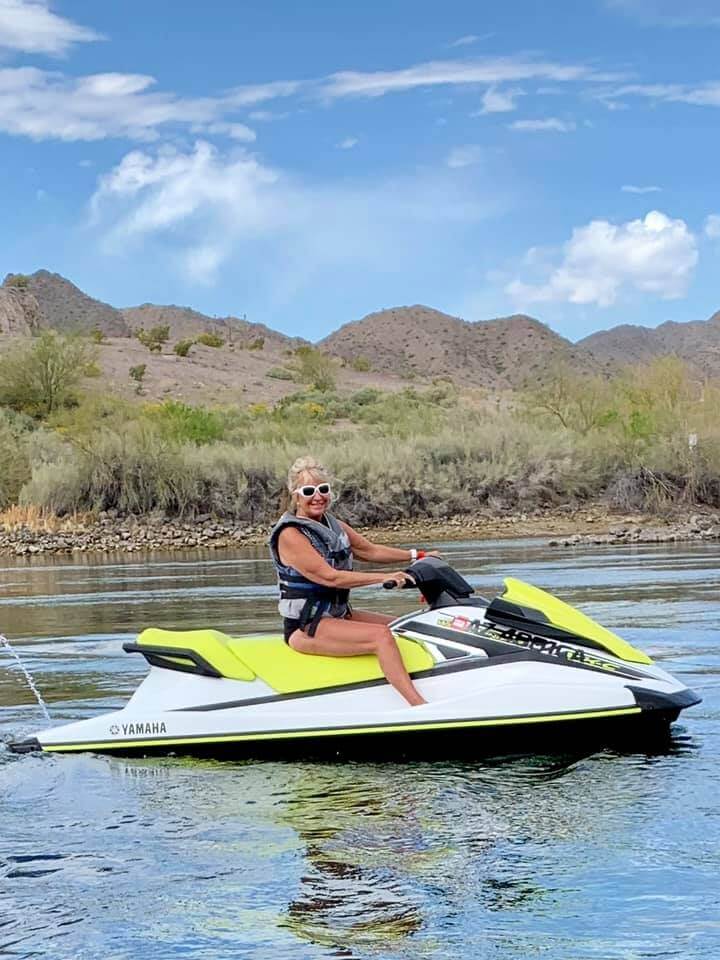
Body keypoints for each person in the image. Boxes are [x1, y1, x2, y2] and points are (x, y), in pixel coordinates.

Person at [269, 455, 431, 707]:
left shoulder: (332, 525)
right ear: (296, 495)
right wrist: (385, 578)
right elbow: (329, 577)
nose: (318, 496)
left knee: (407, 625)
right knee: (381, 636)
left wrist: (418, 555)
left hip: (338, 614)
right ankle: (419, 706)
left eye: (323, 489)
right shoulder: (291, 534)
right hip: (307, 625)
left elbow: (369, 550)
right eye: (309, 490)